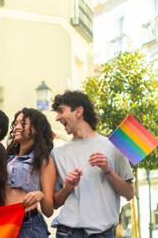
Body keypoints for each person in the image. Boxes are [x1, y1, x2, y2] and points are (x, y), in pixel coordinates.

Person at [50, 90, 134, 238]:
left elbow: (129, 193)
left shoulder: (113, 146)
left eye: (61, 111)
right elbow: (55, 203)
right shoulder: (57, 154)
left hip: (103, 234)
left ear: (78, 111)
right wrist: (67, 187)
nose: (57, 118)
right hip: (67, 232)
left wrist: (108, 170)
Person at [5, 108, 56, 237]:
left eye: (23, 123)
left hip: (29, 226)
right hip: (5, 224)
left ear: (36, 129)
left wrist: (41, 195)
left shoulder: (45, 161)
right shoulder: (7, 157)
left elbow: (49, 210)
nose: (17, 127)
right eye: (15, 123)